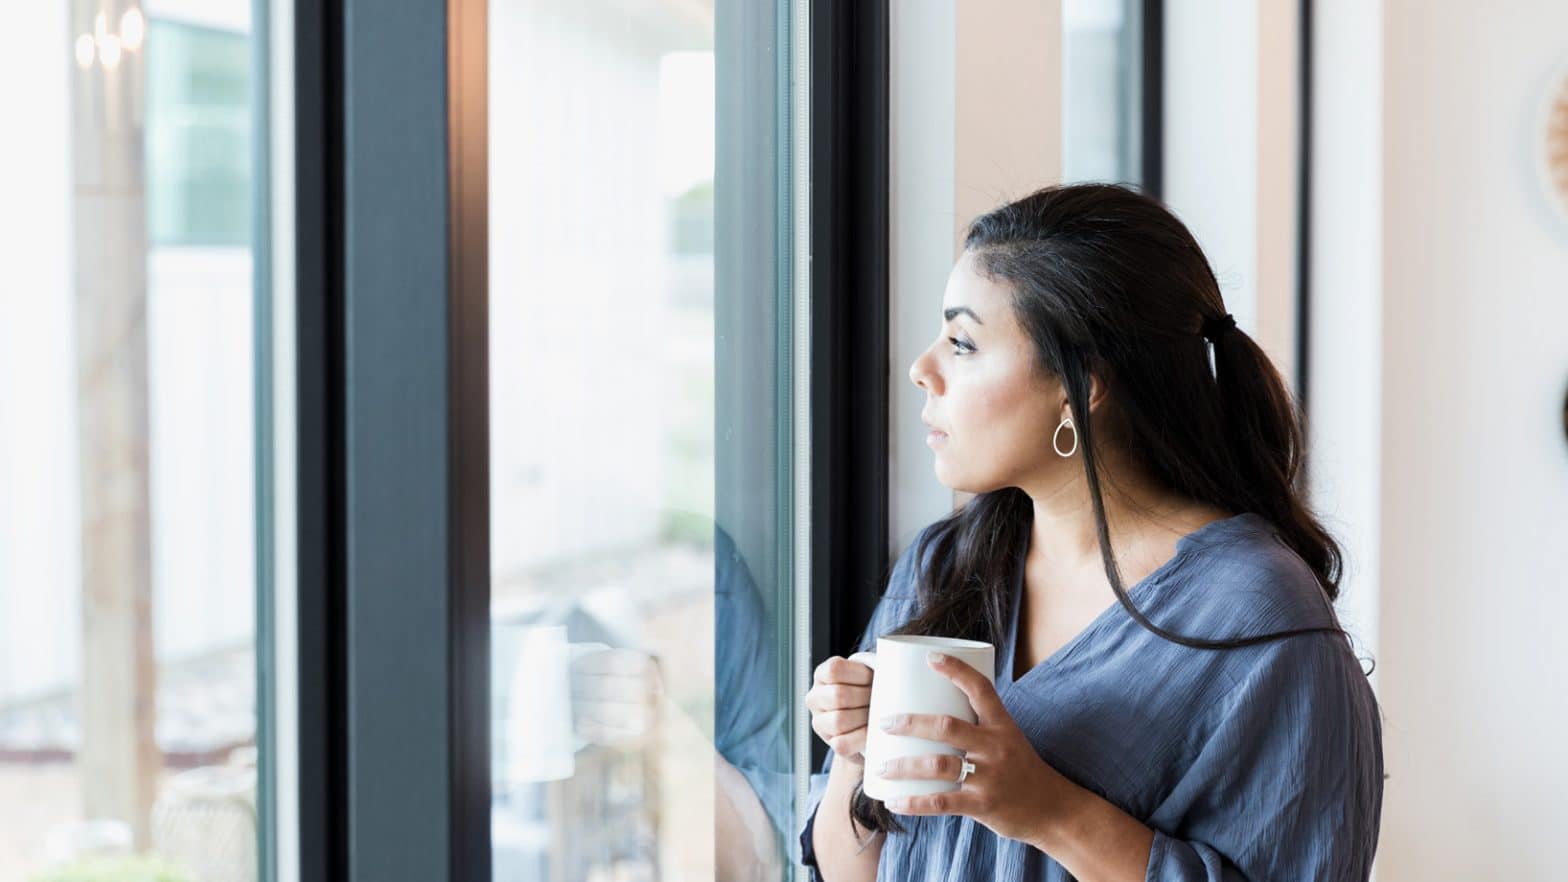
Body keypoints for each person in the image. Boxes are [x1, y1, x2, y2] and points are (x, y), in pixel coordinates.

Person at [799, 182, 1384, 881]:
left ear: (1084, 385)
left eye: (962, 344)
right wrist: (856, 752)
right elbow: (849, 870)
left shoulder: (1258, 618)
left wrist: (1045, 810)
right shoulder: (945, 564)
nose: (922, 370)